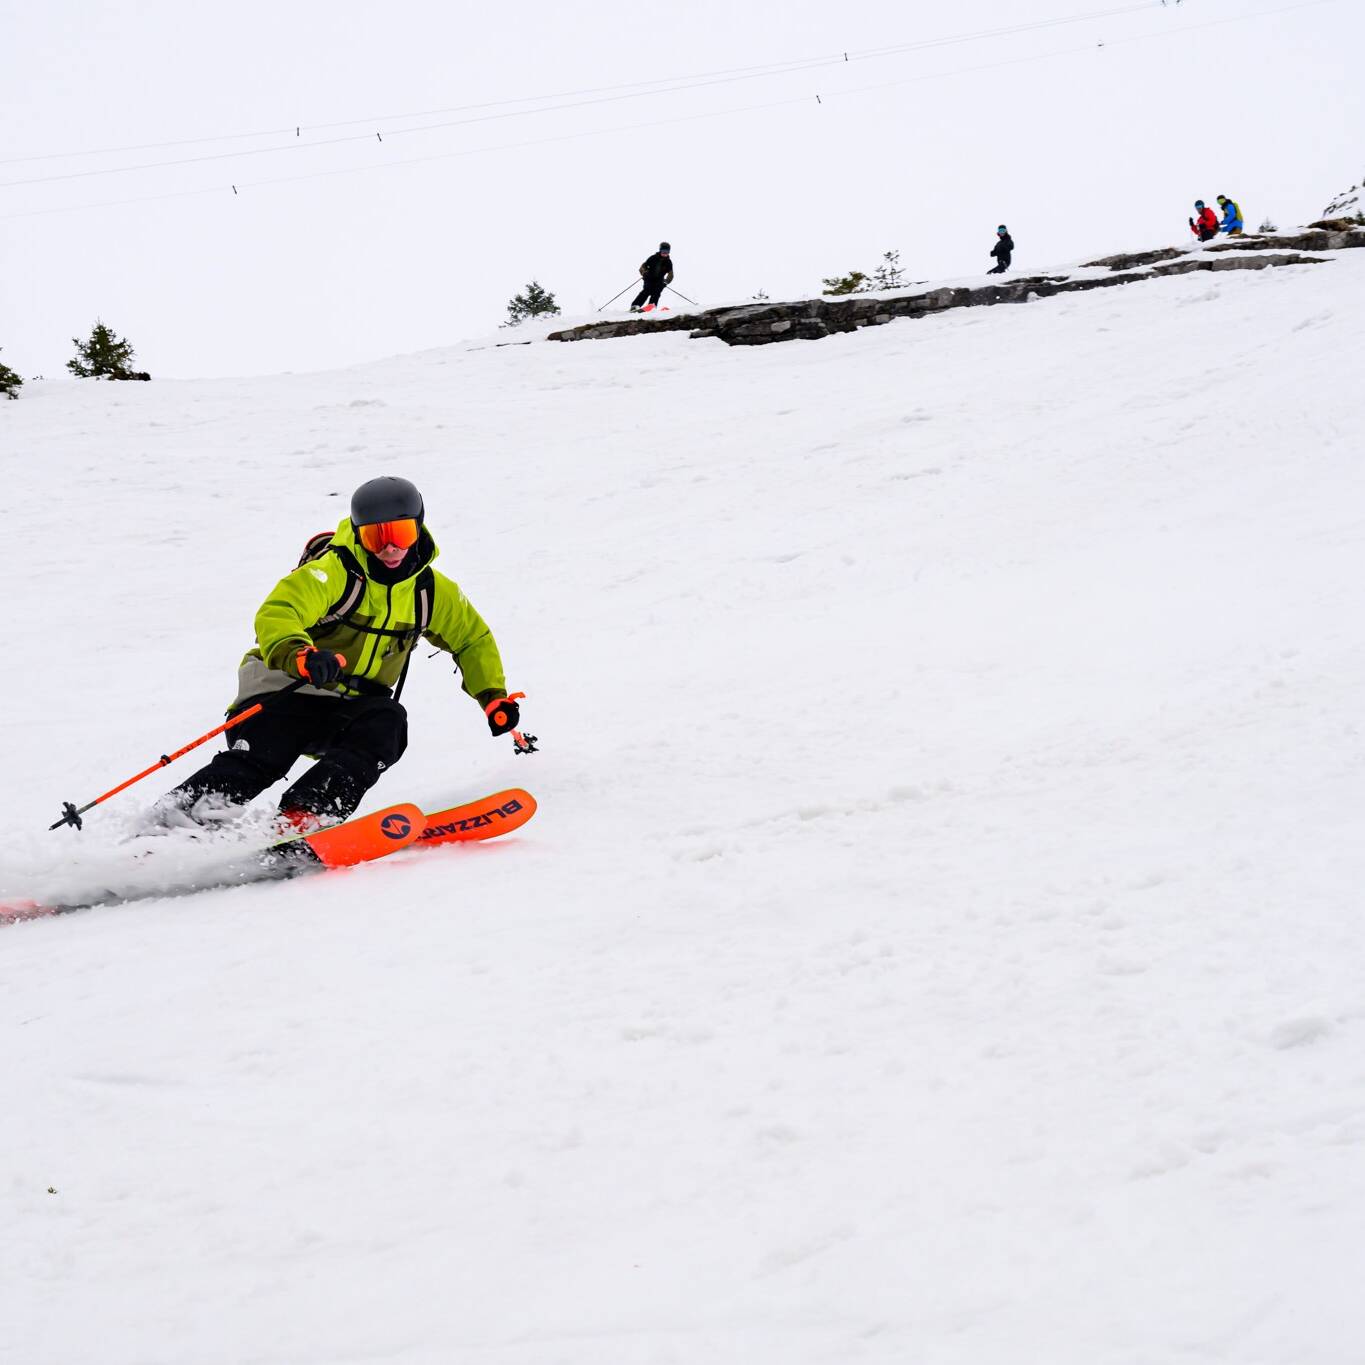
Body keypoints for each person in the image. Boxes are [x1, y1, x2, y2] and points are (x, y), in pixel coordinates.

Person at [154, 476, 515, 832]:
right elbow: (279, 612)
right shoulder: (333, 573)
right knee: (264, 756)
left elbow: (472, 639)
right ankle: (169, 824)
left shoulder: (431, 592)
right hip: (287, 689)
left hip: (350, 707)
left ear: (419, 528)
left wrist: (492, 697)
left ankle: (305, 815)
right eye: (376, 537)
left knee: (386, 724)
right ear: (359, 534)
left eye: (401, 534)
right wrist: (302, 655)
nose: (389, 548)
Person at [631, 242, 674, 311]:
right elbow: (642, 267)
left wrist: (666, 282)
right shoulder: (653, 258)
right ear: (660, 250)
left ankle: (651, 306)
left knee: (656, 292)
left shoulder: (668, 262)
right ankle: (635, 305)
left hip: (659, 281)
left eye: (667, 252)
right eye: (663, 251)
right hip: (649, 278)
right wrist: (644, 273)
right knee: (647, 291)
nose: (665, 253)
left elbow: (670, 274)